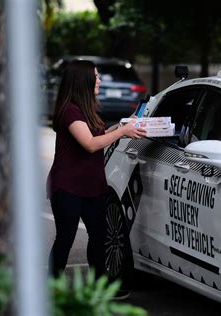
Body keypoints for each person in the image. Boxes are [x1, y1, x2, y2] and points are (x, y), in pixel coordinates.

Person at [46, 59, 146, 299]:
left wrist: (122, 125)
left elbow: (98, 135)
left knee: (99, 236)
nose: (100, 80)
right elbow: (90, 144)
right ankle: (50, 287)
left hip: (92, 185)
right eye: (96, 76)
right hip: (68, 186)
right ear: (84, 81)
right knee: (65, 238)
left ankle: (100, 287)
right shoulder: (70, 111)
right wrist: (122, 132)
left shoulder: (86, 109)